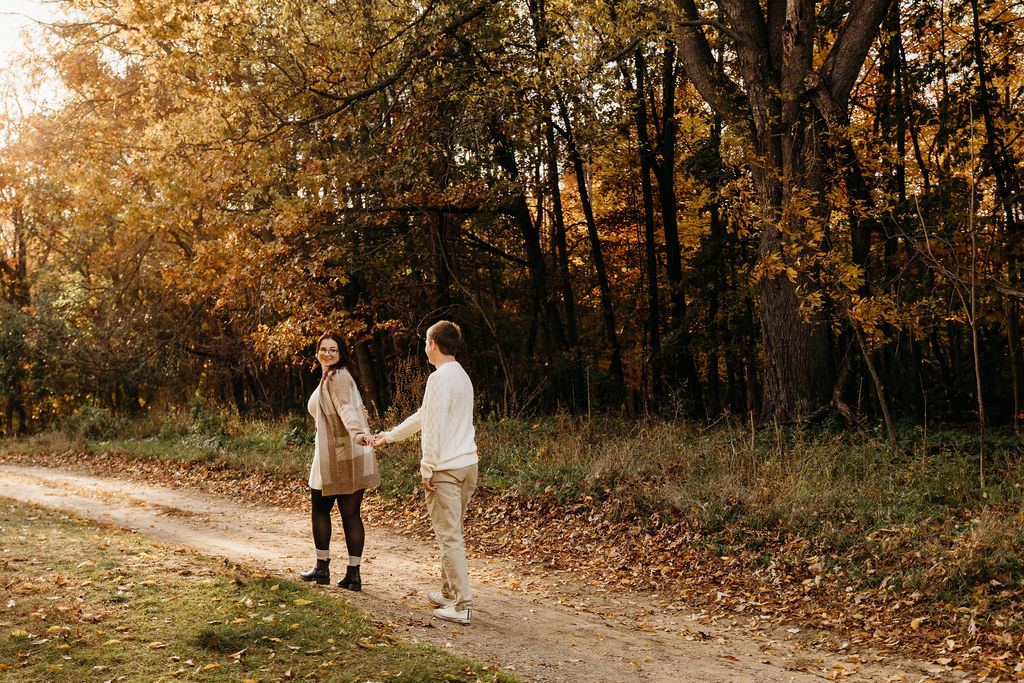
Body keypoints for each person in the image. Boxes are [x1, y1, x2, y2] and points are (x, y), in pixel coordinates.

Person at [370, 321, 478, 624]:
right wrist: (389, 435)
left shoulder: (438, 378)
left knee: (449, 537)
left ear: (433, 344)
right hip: (468, 465)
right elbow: (424, 415)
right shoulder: (461, 375)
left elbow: (432, 429)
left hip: (446, 469)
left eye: (425, 342)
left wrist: (426, 467)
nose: (424, 347)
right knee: (452, 534)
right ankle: (447, 592)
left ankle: (462, 605)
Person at [299, 331, 379, 591]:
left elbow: (348, 411)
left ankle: (323, 569)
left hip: (335, 456)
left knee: (321, 509)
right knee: (350, 514)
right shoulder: (334, 376)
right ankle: (352, 575)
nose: (327, 353)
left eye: (333, 349)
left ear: (341, 353)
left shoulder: (336, 377)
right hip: (350, 455)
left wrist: (358, 435)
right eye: (323, 349)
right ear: (317, 352)